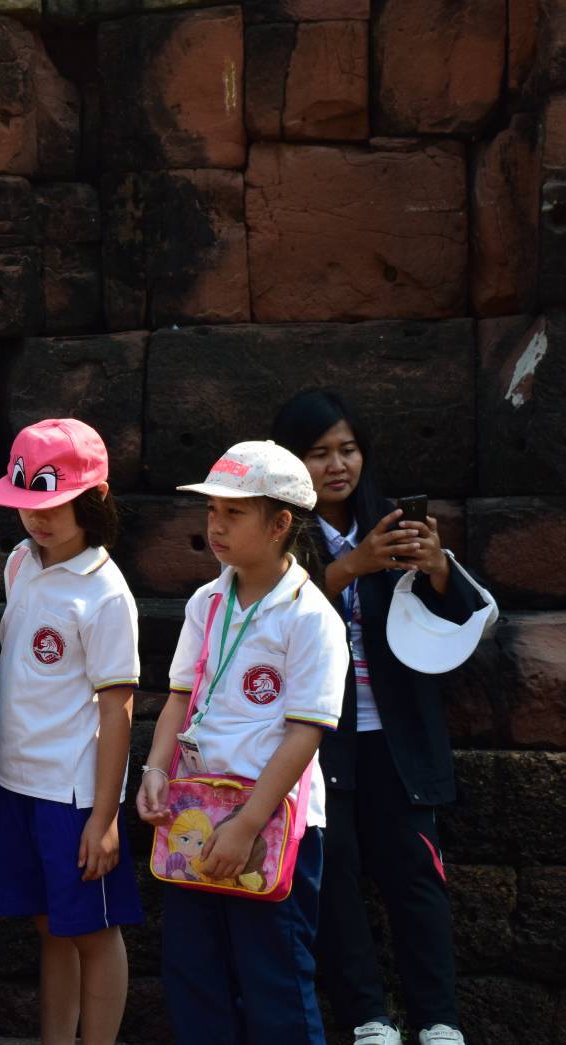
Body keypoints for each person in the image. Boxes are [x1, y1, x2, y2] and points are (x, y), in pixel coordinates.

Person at [273, 391, 492, 1045]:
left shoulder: (394, 522)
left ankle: (439, 1019)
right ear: (292, 462)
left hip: (397, 735)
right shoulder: (281, 532)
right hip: (315, 737)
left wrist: (438, 569)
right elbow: (263, 616)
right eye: (318, 453)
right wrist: (351, 565)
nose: (337, 465)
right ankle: (367, 1017)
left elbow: (471, 616)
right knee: (332, 873)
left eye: (347, 448)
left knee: (416, 877)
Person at [137, 440, 349, 1045]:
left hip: (272, 821)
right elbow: (180, 694)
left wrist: (248, 824)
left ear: (281, 523)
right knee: (192, 976)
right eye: (212, 511)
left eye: (234, 513)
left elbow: (306, 730)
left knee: (275, 980)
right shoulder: (206, 600)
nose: (216, 526)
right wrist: (156, 770)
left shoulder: (310, 618)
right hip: (194, 811)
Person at [0, 419, 142, 1045]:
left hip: (72, 793)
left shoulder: (104, 593)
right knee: (50, 925)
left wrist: (105, 816)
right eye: (26, 506)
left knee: (95, 932)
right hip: (14, 778)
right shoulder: (22, 563)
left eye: (51, 506)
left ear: (92, 501)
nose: (36, 520)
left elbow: (116, 709)